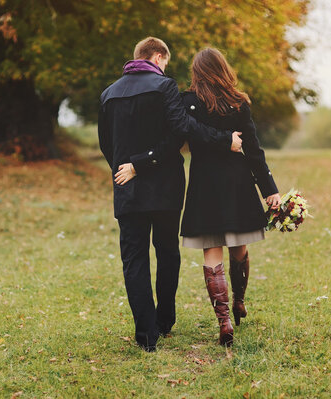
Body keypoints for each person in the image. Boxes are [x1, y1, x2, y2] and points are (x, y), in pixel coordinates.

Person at [98, 37, 243, 352]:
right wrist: (144, 163)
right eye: (164, 62)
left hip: (127, 190)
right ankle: (164, 322)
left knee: (133, 260)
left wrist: (126, 170)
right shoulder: (164, 87)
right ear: (158, 56)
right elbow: (180, 131)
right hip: (164, 187)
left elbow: (106, 145)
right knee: (166, 253)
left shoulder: (108, 94)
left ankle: (146, 336)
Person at [179, 48, 281, 346]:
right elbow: (253, 150)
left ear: (197, 73)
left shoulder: (188, 103)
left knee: (212, 254)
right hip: (237, 186)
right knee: (238, 249)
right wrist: (269, 189)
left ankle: (224, 322)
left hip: (205, 187)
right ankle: (238, 301)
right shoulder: (239, 102)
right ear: (223, 69)